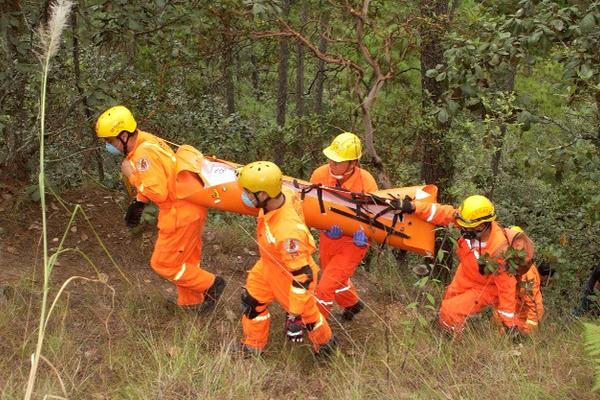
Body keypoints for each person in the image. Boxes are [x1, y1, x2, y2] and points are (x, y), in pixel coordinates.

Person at [95, 105, 225, 310]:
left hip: (179, 214)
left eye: (110, 141)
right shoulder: (147, 140)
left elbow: (159, 192)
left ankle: (212, 284)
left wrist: (131, 175)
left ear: (123, 135)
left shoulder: (142, 155)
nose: (110, 146)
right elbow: (160, 176)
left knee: (163, 264)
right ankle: (191, 304)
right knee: (186, 260)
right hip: (191, 207)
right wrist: (139, 202)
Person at [237, 161, 336, 356]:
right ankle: (253, 346)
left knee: (309, 319)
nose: (245, 196)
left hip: (289, 276)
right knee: (251, 302)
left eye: (249, 192)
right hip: (268, 264)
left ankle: (326, 346)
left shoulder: (287, 233)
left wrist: (294, 315)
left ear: (263, 195)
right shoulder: (285, 196)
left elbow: (302, 275)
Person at [401, 194, 517, 335]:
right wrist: (413, 206)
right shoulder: (468, 219)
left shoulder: (500, 250)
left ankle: (451, 343)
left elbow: (507, 287)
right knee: (448, 300)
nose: (461, 228)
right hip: (465, 273)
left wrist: (508, 323)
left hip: (485, 287)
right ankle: (446, 326)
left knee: (451, 311)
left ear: (481, 226)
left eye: (466, 227)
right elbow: (441, 212)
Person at [310, 132, 378, 321]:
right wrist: (322, 228)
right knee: (330, 274)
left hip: (354, 243)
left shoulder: (367, 182)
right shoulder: (319, 174)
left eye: (338, 161)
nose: (332, 163)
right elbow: (312, 207)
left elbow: (375, 217)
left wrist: (363, 236)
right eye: (330, 158)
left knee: (324, 287)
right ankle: (352, 304)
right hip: (328, 237)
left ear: (353, 163)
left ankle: (317, 330)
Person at [509, 226, 544, 334]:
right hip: (512, 321)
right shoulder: (508, 267)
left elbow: (533, 304)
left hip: (523, 323)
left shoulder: (527, 273)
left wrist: (527, 331)